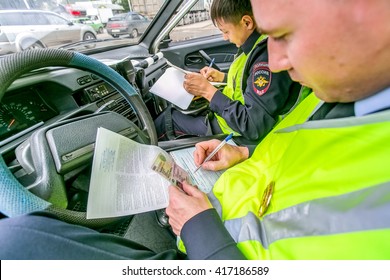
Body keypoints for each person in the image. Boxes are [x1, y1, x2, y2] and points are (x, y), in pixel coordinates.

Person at [1, 0, 390, 260]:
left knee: (17, 242)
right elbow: (291, 146)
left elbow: (253, 121)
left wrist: (200, 228)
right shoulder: (332, 95)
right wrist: (246, 153)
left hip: (214, 247)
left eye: (285, 34)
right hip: (220, 201)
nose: (276, 60)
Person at [154, 0, 302, 145]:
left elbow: (253, 126)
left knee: (169, 120)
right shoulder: (254, 47)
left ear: (247, 22)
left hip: (236, 132)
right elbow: (248, 84)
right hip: (229, 117)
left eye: (226, 31)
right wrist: (223, 78)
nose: (225, 37)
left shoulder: (266, 58)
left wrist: (208, 92)